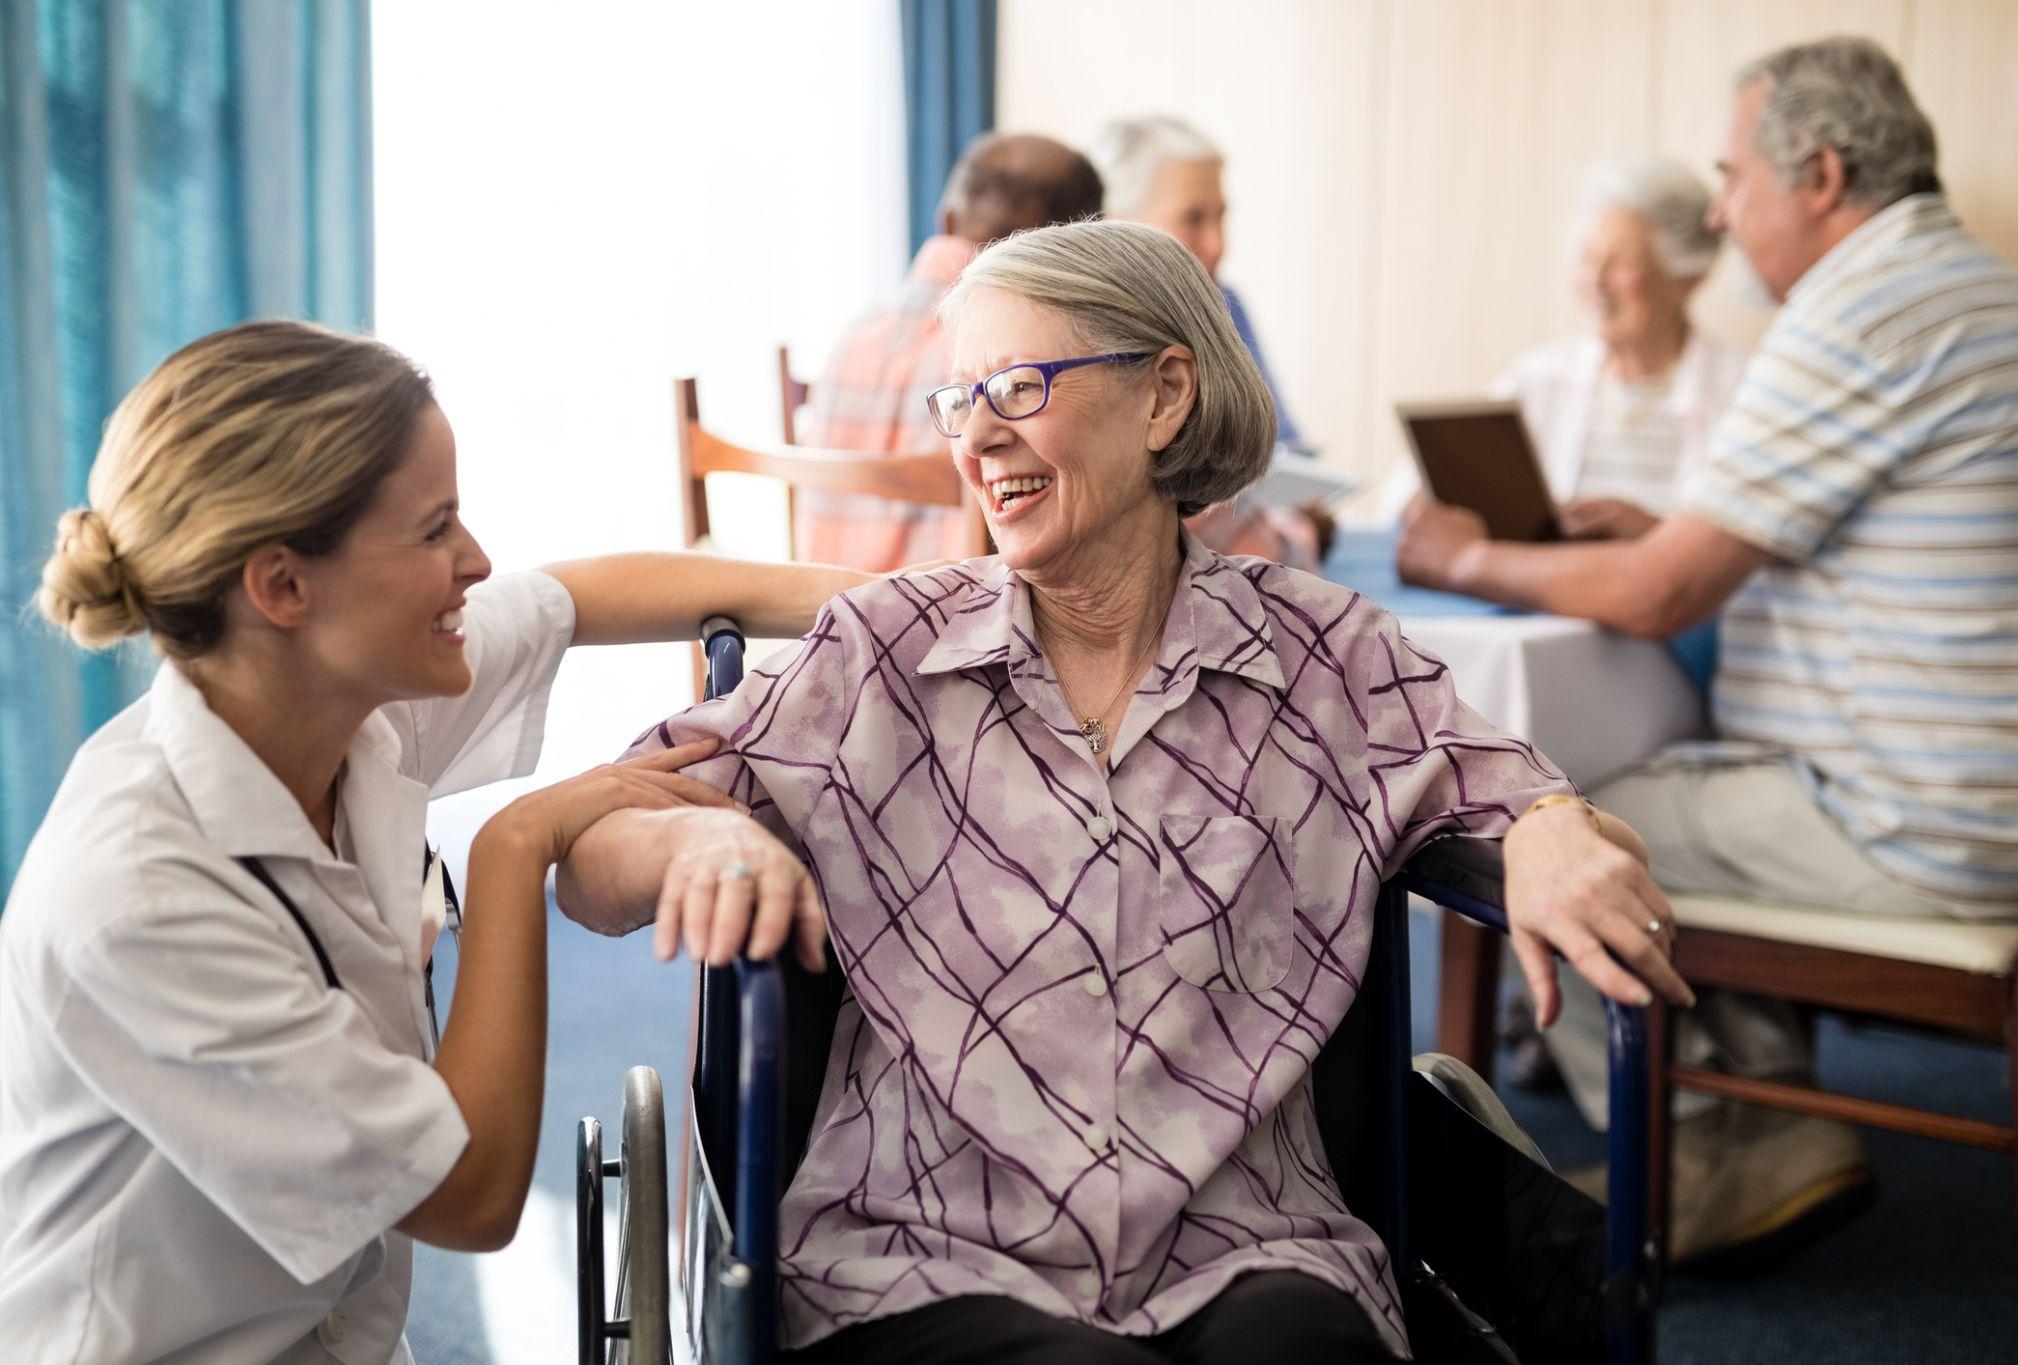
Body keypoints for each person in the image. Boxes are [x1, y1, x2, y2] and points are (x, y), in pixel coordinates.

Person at [558, 219, 1691, 1362]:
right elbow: (594, 848)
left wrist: (1550, 822)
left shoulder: (1322, 653)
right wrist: (693, 848)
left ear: (1163, 399)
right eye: (959, 401)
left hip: (1250, 1240)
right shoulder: (881, 654)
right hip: (924, 1249)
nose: (978, 436)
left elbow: (1509, 791)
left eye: (1017, 385)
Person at [0, 320, 868, 1363]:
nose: (476, 560)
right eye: (434, 530)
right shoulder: (139, 895)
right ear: (281, 587)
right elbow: (471, 1196)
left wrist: (899, 601)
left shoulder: (338, 707)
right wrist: (516, 848)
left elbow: (574, 597)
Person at [1397, 36, 2018, 1267]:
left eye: (1731, 174)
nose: (1715, 207)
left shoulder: (1857, 308)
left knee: (1559, 828)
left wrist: (1463, 563)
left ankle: (1693, 1146)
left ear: (1817, 172)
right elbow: (1814, 541)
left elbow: (1655, 594)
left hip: (1904, 831)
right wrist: (1673, 533)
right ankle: (1761, 1131)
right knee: (1669, 791)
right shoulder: (1985, 296)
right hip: (1993, 806)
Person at [792, 132, 1103, 572]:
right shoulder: (1026, 349)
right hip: (951, 620)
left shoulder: (854, 335)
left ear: (948, 219)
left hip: (826, 613)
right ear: (1079, 245)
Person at [1094, 115, 1331, 570]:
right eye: (1193, 218)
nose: (1218, 244)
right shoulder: (1095, 344)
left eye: (1221, 217)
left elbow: (1286, 447)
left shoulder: (1224, 305)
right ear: (1116, 221)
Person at [1482, 155, 1748, 537]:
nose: (1595, 279)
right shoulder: (1538, 377)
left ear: (1688, 278)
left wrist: (1656, 538)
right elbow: (1410, 496)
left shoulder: (1741, 391)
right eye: (1588, 257)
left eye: (1622, 260)